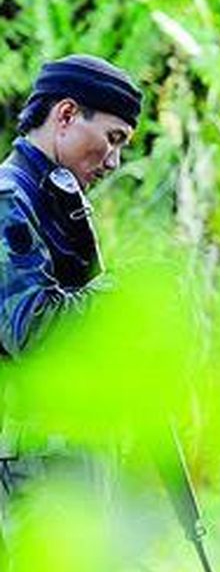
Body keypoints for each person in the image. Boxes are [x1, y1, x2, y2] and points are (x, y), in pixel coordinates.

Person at [0, 54, 141, 513]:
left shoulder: (54, 201)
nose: (115, 160)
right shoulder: (10, 199)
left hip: (58, 461)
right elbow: (32, 329)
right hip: (30, 475)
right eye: (112, 138)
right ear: (65, 115)